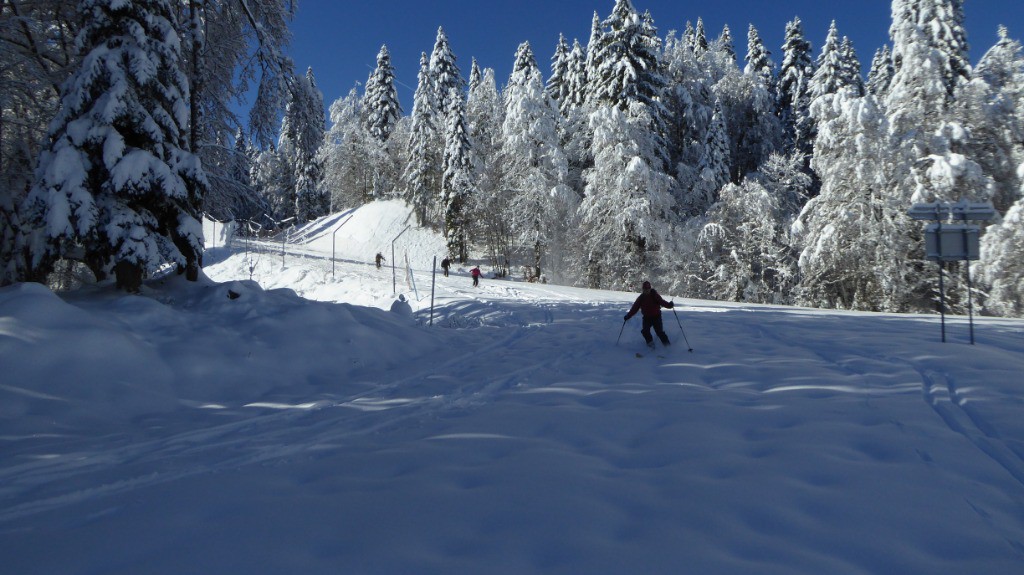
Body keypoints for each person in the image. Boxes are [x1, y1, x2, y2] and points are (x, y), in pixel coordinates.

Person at [623, 280, 674, 349]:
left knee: (659, 332)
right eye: (645, 289)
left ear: (650, 288)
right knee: (645, 331)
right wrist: (628, 316)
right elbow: (634, 308)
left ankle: (668, 347)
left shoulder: (654, 295)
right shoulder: (641, 298)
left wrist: (669, 305)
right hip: (647, 318)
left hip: (656, 317)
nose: (646, 290)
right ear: (643, 289)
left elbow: (662, 302)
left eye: (648, 289)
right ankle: (651, 345)